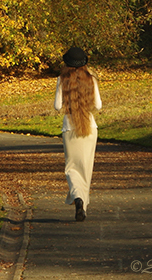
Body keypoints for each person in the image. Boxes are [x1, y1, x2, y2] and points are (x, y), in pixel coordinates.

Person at [53, 46, 102, 222]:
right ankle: (83, 204)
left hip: (70, 127)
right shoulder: (91, 79)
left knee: (72, 168)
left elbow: (58, 106)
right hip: (89, 127)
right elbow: (98, 105)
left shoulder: (62, 79)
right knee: (86, 168)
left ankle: (78, 199)